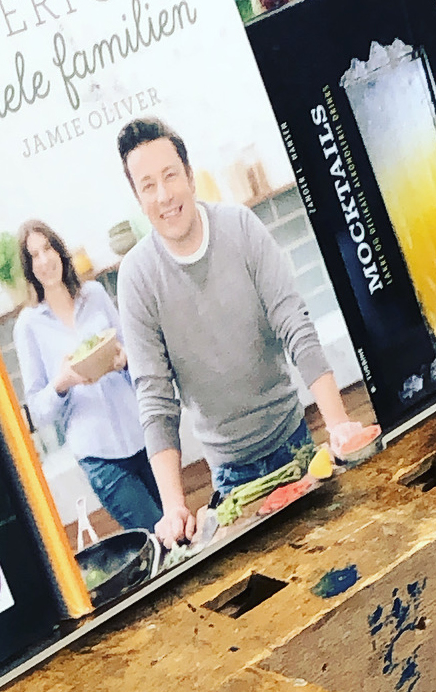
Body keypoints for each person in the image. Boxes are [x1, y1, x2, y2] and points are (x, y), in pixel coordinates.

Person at [112, 118, 373, 546]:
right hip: (230, 477)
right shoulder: (136, 277)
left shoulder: (240, 227)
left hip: (295, 443)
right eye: (148, 186)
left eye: (170, 176)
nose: (163, 195)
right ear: (138, 199)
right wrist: (173, 506)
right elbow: (155, 398)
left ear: (190, 176)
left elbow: (294, 324)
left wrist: (339, 424)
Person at [11, 220, 162, 535]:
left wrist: (123, 360)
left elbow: (134, 353)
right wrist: (62, 382)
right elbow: (38, 410)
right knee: (158, 536)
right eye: (34, 255)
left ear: (59, 251)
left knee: (179, 529)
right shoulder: (28, 326)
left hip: (143, 434)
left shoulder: (94, 294)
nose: (44, 260)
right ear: (29, 268)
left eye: (48, 249)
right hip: (100, 456)